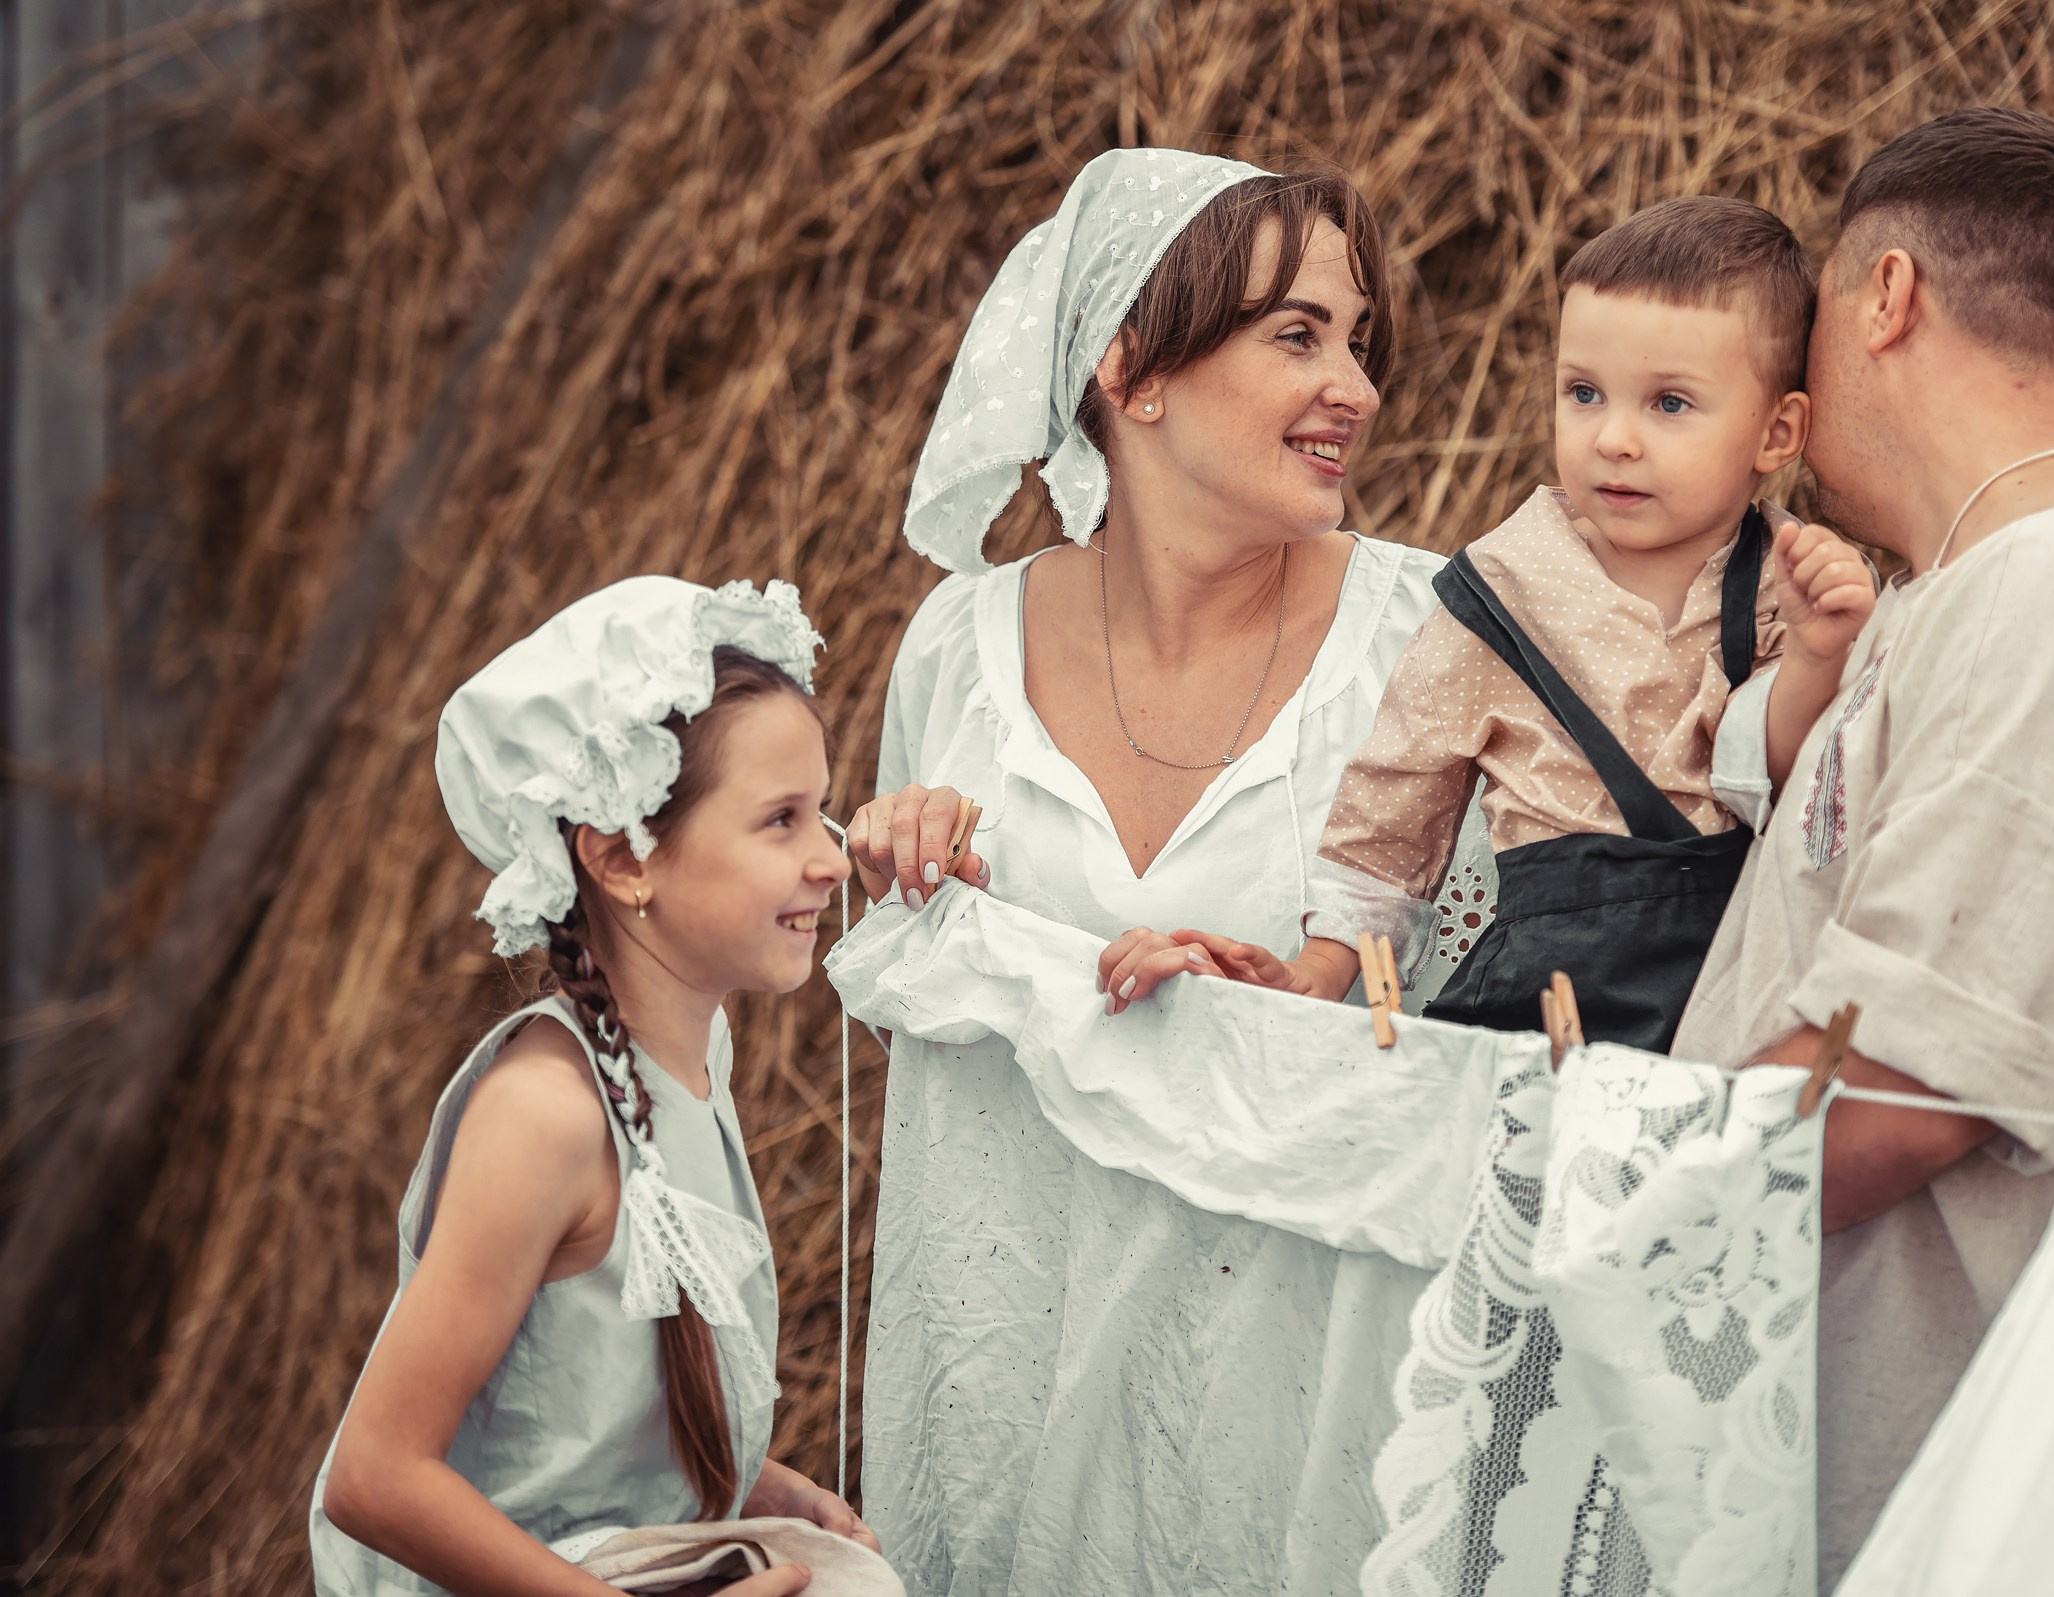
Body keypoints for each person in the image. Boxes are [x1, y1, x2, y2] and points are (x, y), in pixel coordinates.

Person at [847, 148, 1489, 1595]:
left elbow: (1511, 1013)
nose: (1359, 390)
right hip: (1002, 1412)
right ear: (1132, 368)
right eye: (1299, 337)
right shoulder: (955, 648)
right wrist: (908, 859)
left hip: (1301, 1440)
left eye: (1361, 342)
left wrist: (1309, 993)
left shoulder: (1431, 642)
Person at [1673, 108, 2054, 1586]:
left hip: (1947, 1505)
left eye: (1816, 307)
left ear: (1886, 296)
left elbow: (1903, 1090)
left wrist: (1571, 1196)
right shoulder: (1981, 590)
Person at [1168, 196, 1879, 1048]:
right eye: (1584, 393)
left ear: (1778, 430)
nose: (1614, 437)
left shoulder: (1789, 585)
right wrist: (1322, 969)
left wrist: (1818, 651)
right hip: (1551, 996)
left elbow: (1775, 770)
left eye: (1670, 405)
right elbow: (1398, 800)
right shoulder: (1501, 594)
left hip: (1731, 984)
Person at [310, 577, 881, 1596]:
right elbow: (373, 1476)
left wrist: (757, 1482)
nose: (829, 858)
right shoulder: (545, 1117)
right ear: (623, 860)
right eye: (782, 820)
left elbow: (577, 1417)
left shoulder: (694, 1059)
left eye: (822, 811)